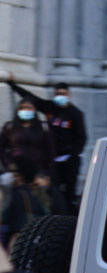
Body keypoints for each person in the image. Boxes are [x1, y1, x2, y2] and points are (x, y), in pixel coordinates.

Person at [6, 78, 86, 210]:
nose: (60, 97)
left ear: (69, 96)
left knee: (69, 190)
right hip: (54, 156)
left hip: (70, 157)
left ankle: (70, 218)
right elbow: (29, 97)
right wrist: (12, 84)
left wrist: (73, 155)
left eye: (63, 94)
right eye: (58, 94)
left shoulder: (76, 114)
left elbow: (81, 137)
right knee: (54, 188)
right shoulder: (49, 108)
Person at [0, 98, 55, 180]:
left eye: (29, 108)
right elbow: (1, 147)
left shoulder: (44, 127)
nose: (25, 110)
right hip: (15, 170)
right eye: (22, 108)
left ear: (35, 110)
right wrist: (8, 164)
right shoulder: (10, 126)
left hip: (38, 171)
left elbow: (51, 151)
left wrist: (48, 175)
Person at [0, 157, 47, 249]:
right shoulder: (34, 194)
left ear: (21, 175)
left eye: (12, 171)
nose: (8, 175)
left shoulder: (18, 196)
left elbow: (17, 228)